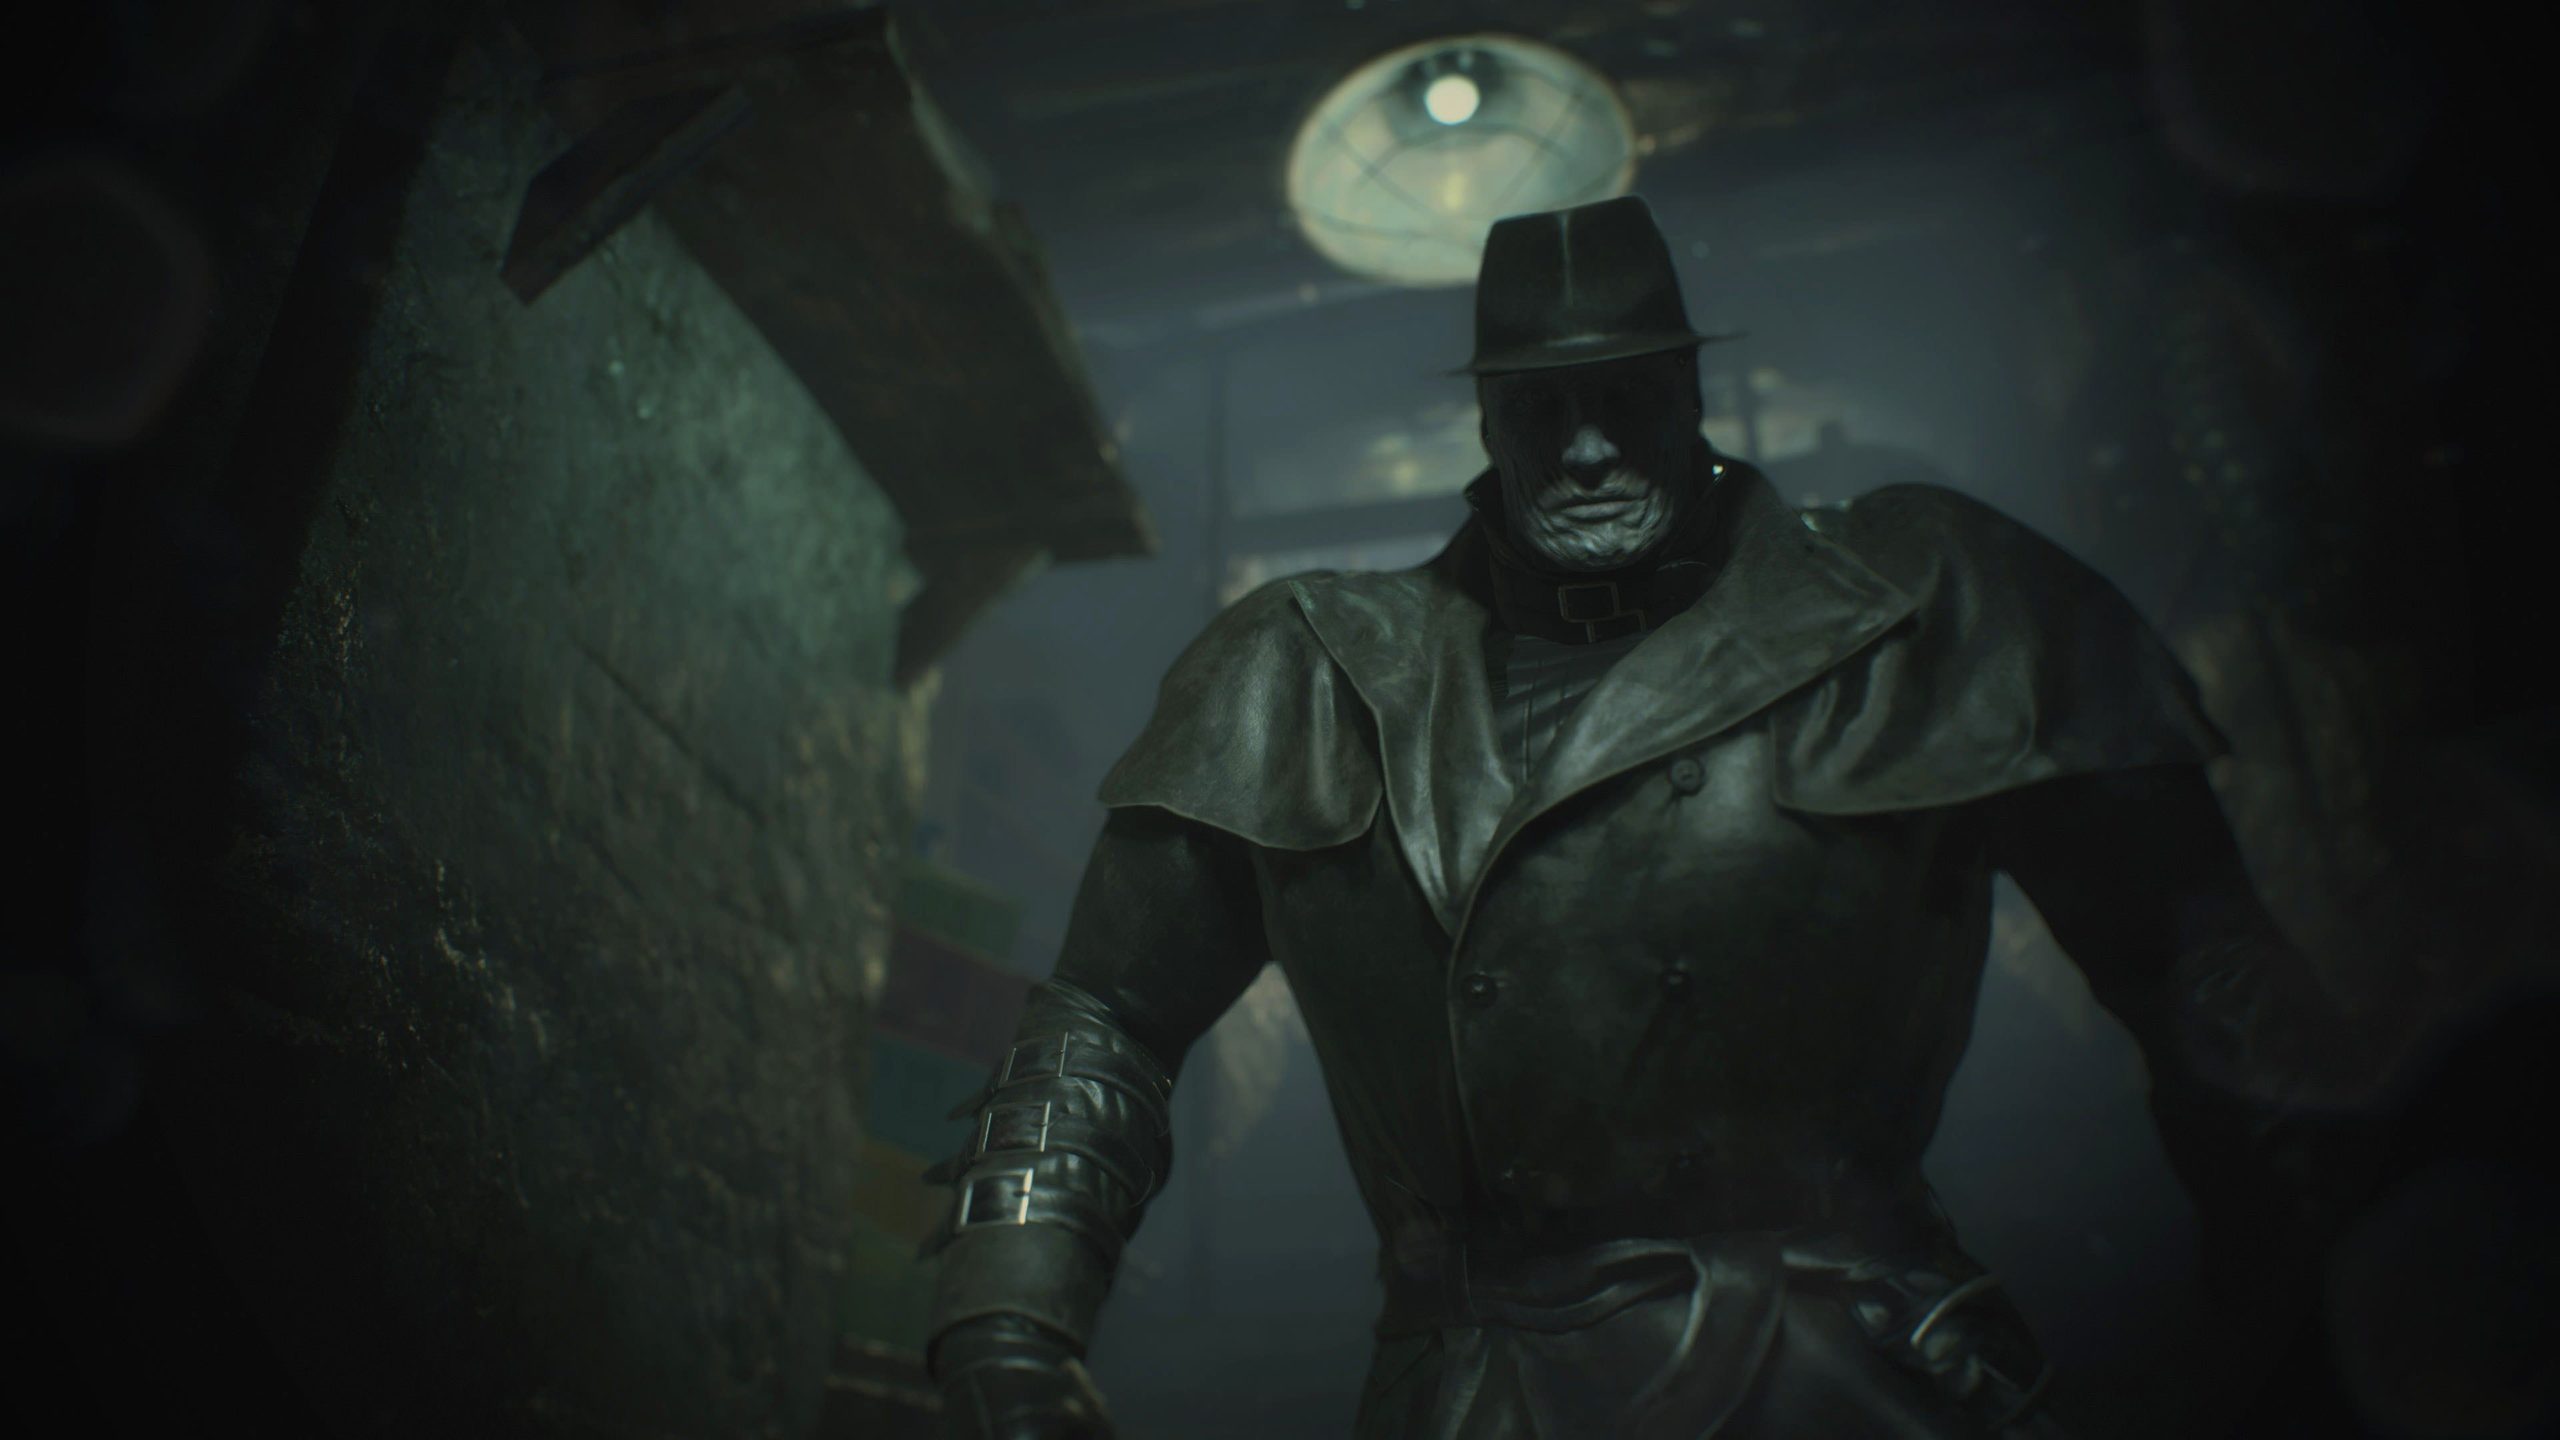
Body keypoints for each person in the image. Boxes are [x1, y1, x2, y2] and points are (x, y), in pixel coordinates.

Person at [919, 195, 2372, 1438]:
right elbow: (1104, 1021)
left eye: (1622, 395)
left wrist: (2314, 1308)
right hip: (1487, 1390)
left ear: (1686, 389)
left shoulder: (1923, 605)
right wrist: (1008, 1321)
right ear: (1486, 417)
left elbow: (2207, 976)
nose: (1587, 449)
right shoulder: (1309, 674)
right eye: (1542, 408)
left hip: (1858, 1377)